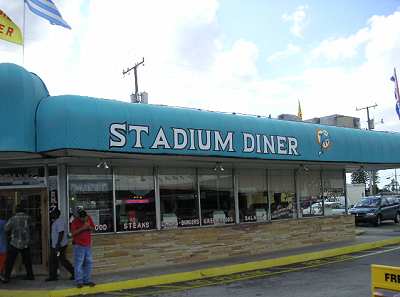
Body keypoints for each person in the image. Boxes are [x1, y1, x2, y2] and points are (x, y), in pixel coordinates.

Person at [2, 204, 34, 283]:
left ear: (16, 210)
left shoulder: (13, 218)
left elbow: (6, 228)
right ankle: (30, 275)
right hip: (26, 242)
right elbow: (33, 227)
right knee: (27, 261)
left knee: (10, 261)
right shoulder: (28, 217)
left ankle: (7, 277)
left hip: (15, 242)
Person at [46, 208, 74, 281]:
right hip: (57, 245)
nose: (51, 214)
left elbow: (61, 233)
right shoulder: (56, 221)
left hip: (59, 246)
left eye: (52, 213)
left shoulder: (59, 222)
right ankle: (54, 276)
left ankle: (53, 276)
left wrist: (58, 244)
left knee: (57, 260)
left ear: (56, 214)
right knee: (57, 260)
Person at [71, 208, 95, 288]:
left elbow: (93, 228)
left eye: (85, 217)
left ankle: (87, 280)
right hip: (78, 245)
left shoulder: (88, 218)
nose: (85, 219)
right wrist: (83, 228)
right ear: (79, 217)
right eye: (83, 218)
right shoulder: (75, 221)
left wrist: (89, 227)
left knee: (89, 262)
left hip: (87, 244)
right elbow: (73, 233)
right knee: (79, 263)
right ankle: (79, 281)